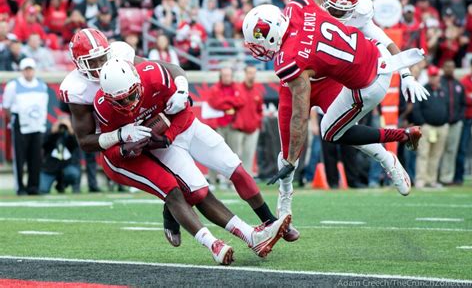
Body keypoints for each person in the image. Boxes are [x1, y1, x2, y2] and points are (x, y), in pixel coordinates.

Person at [243, 0, 424, 230]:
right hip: (315, 73)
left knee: (328, 135)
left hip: (331, 79)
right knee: (293, 147)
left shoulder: (327, 12)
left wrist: (406, 73)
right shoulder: (305, 1)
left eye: (344, 10)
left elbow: (302, 114)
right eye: (334, 6)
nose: (338, 12)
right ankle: (285, 206)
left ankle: (386, 157)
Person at [60, 28, 296, 246]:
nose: (101, 66)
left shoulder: (132, 63)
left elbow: (169, 74)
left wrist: (182, 88)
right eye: (94, 62)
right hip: (144, 137)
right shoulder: (80, 91)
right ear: (79, 65)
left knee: (235, 168)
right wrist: (121, 134)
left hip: (169, 124)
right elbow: (86, 141)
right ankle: (214, 227)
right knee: (194, 190)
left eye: (103, 58)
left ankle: (269, 220)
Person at [94, 59, 290, 264]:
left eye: (131, 96)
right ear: (108, 97)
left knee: (234, 168)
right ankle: (234, 239)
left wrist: (168, 133)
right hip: (151, 151)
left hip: (181, 131)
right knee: (196, 191)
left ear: (137, 80)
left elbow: (184, 108)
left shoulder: (154, 76)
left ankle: (267, 224)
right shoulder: (101, 106)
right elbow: (105, 149)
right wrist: (125, 145)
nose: (128, 104)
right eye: (120, 101)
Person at [2, 58, 49, 195]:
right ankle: (20, 187)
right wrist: (14, 120)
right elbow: (7, 107)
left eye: (30, 69)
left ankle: (33, 186)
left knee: (36, 158)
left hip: (37, 125)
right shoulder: (14, 85)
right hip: (20, 124)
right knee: (20, 158)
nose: (28, 72)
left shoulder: (42, 85)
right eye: (26, 69)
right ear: (22, 71)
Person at [412, 66, 449, 188]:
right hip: (427, 127)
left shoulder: (442, 90)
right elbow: (416, 109)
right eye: (432, 76)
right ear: (428, 76)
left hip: (441, 127)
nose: (434, 78)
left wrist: (445, 121)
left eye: (436, 75)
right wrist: (422, 123)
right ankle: (421, 180)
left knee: (436, 155)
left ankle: (431, 179)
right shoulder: (422, 89)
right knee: (423, 154)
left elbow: (448, 107)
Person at [231, 65, 264, 175]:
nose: (252, 75)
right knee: (235, 156)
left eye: (254, 73)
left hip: (252, 129)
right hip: (238, 129)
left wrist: (257, 122)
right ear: (245, 74)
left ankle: (248, 181)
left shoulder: (257, 91)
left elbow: (259, 109)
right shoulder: (237, 88)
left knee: (249, 156)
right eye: (250, 73)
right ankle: (232, 181)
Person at [438, 60, 465, 184]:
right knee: (439, 150)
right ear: (443, 68)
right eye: (447, 67)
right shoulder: (439, 83)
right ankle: (435, 176)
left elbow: (463, 104)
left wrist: (459, 117)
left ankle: (446, 177)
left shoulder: (458, 85)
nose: (449, 69)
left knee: (451, 150)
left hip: (455, 123)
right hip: (442, 123)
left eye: (452, 67)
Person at [40, 116, 80, 194]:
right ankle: (58, 184)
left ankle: (61, 185)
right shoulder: (50, 132)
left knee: (73, 173)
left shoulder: (70, 134)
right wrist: (52, 132)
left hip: (66, 167)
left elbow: (76, 145)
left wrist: (70, 130)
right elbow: (42, 143)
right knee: (43, 190)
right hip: (49, 168)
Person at [455, 58, 472, 185]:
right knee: (462, 147)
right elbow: (464, 100)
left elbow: (469, 98)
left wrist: (471, 97)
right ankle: (459, 177)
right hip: (467, 118)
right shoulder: (464, 81)